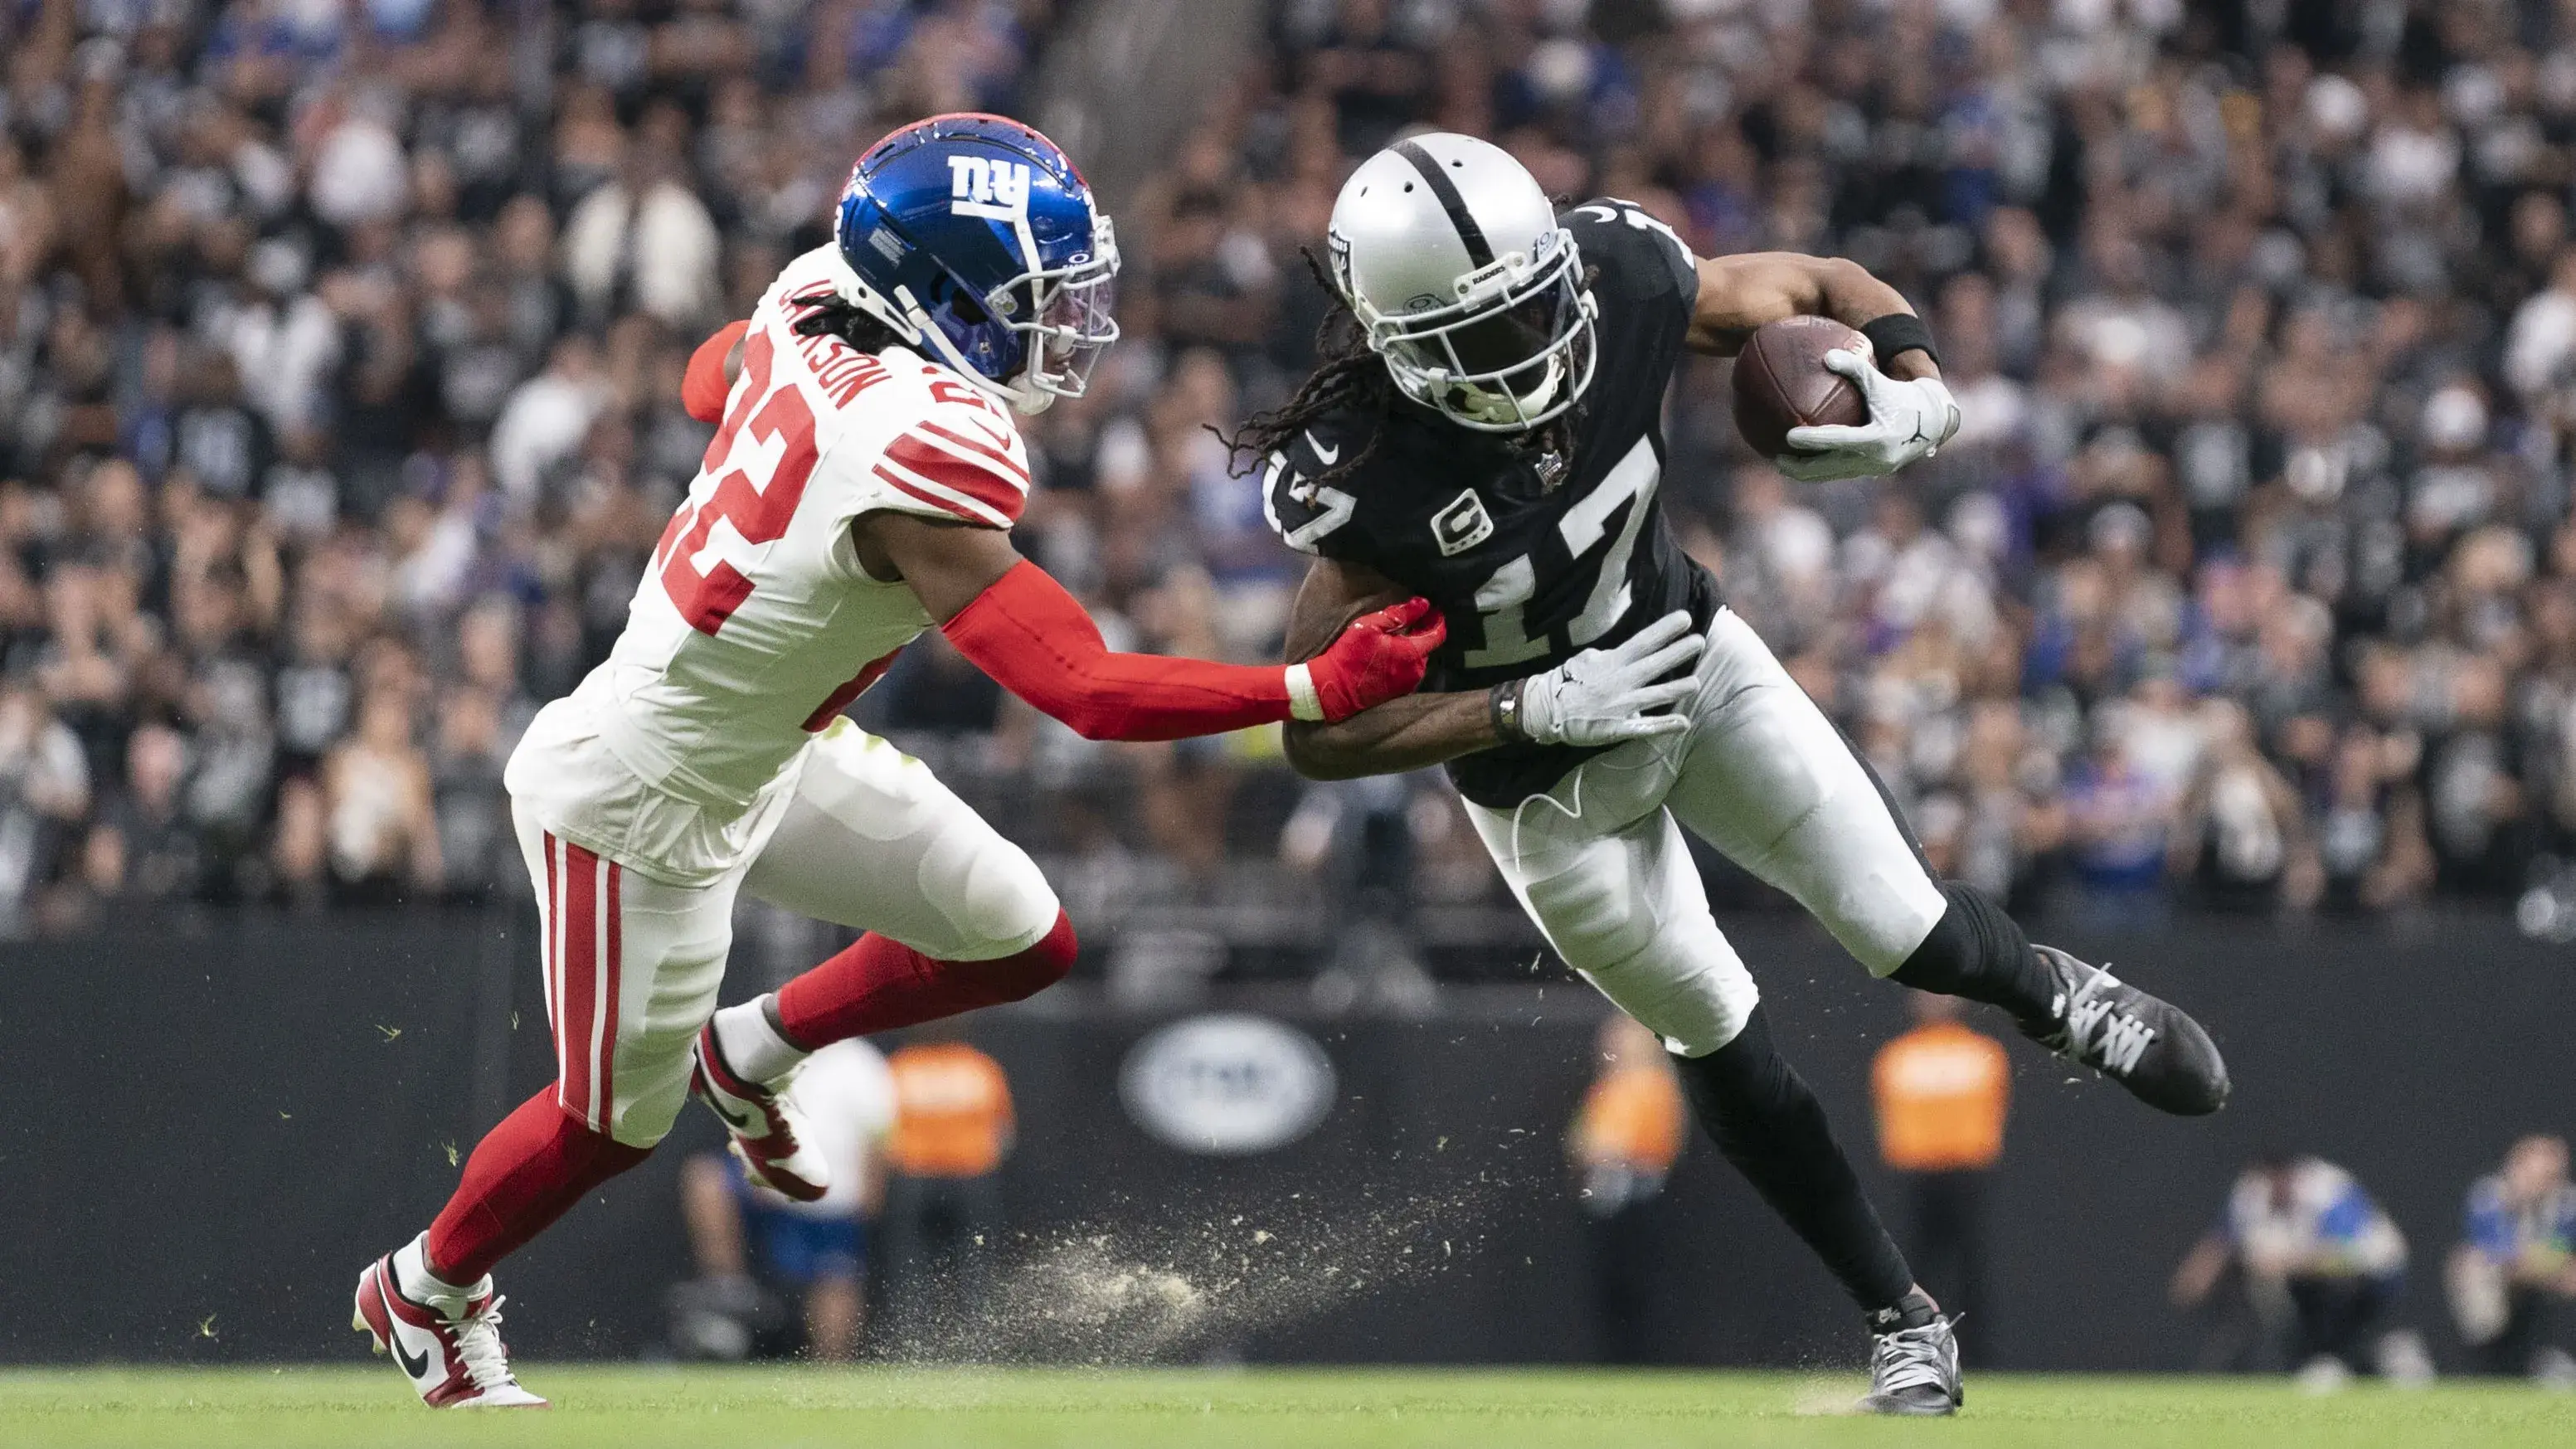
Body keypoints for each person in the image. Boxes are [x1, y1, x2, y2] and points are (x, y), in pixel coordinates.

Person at [349, 114, 1462, 1409]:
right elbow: (1084, 691)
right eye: (1033, 296)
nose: (1064, 322)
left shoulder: (816, 290)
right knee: (608, 1124)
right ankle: (424, 1286)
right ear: (938, 294)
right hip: (638, 794)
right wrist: (1308, 687)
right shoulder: (922, 447)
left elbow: (712, 377)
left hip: (774, 744)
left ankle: (751, 1046)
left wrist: (781, 408)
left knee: (1021, 933)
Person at [1242, 129, 2229, 1414]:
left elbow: (1821, 284)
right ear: (1393, 341)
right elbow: (1314, 728)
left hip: (1691, 665)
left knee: (1903, 925)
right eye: (1479, 336)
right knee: (1708, 1025)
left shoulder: (1623, 277)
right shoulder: (1365, 473)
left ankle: (2054, 995)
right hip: (1543, 788)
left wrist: (1919, 393)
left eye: (1532, 306)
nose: (1530, 351)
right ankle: (1901, 1319)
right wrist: (1519, 702)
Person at [675, 1038, 897, 1362]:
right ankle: (727, 1288)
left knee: (836, 1278)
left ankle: (830, 1369)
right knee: (706, 1179)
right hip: (769, 1188)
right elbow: (744, 1116)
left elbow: (881, 1138)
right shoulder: (770, 1053)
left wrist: (870, 1194)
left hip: (832, 1199)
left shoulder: (861, 1063)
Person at [2170, 1154, 2426, 1390]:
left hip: (2374, 1275)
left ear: (2291, 1176)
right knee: (2272, 1295)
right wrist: (2195, 1277)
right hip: (2309, 1281)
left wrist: (2288, 1261)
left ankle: (2385, 1355)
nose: (2272, 1193)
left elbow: (2346, 1256)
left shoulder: (2327, 1191)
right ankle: (2323, 1362)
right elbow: (2222, 1241)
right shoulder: (2251, 1194)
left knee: (2338, 1300)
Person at [1869, 994, 2010, 1362]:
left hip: (1965, 1175)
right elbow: (1891, 1124)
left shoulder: (1983, 1053)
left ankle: (1976, 1361)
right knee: (1912, 1271)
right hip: (1917, 1177)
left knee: (1970, 1274)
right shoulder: (1897, 1055)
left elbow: (1989, 1120)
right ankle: (1911, 1354)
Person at [879, 1026, 1018, 1335]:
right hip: (971, 1176)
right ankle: (977, 1341)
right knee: (975, 1261)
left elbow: (880, 1130)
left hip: (915, 1177)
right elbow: (1004, 1134)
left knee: (912, 1264)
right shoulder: (979, 1066)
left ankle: (912, 1338)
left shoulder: (901, 1066)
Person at [1567, 1014, 1686, 1364]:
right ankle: (1615, 1359)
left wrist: (1606, 1150)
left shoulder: (1653, 1084)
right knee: (1609, 1285)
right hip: (1606, 1194)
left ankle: (1638, 1360)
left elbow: (1637, 1145)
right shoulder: (1609, 1087)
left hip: (1636, 1192)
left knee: (1635, 1282)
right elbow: (1582, 1141)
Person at [2450, 1135, 2576, 1383]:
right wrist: (2546, 1262)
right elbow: (2502, 1255)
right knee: (2472, 1268)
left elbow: (2562, 1249)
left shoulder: (2566, 1204)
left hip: (2545, 1280)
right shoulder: (2490, 1196)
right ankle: (2487, 1361)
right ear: (2516, 1168)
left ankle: (2554, 1360)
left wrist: (2547, 1262)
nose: (2545, 1185)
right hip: (2504, 1282)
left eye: (2552, 1177)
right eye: (2539, 1176)